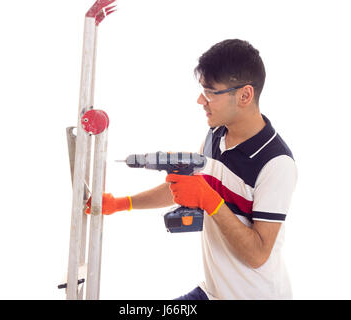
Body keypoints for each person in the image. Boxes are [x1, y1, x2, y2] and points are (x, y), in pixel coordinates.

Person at [85, 39, 298, 300]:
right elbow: (185, 187)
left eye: (210, 92)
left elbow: (257, 254)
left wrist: (211, 201)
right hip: (212, 293)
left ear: (245, 95)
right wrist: (122, 203)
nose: (200, 100)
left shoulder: (276, 162)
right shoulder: (216, 135)